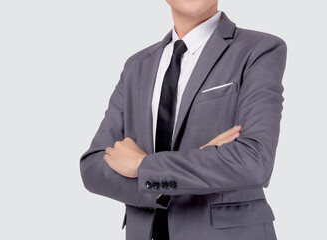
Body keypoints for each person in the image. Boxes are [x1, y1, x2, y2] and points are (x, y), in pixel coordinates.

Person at [79, 0, 287, 239]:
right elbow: (93, 167)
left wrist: (142, 166)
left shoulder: (260, 49)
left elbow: (254, 162)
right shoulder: (137, 65)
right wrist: (160, 190)